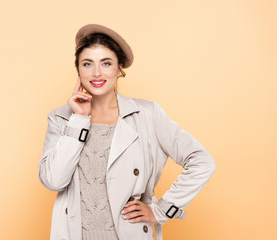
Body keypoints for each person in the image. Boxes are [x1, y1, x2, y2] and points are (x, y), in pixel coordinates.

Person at [38, 23, 216, 240]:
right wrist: (79, 119)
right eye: (87, 64)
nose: (96, 72)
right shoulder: (61, 118)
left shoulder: (147, 114)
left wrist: (161, 210)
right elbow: (54, 181)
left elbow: (201, 161)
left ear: (119, 68)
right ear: (78, 70)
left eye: (106, 63)